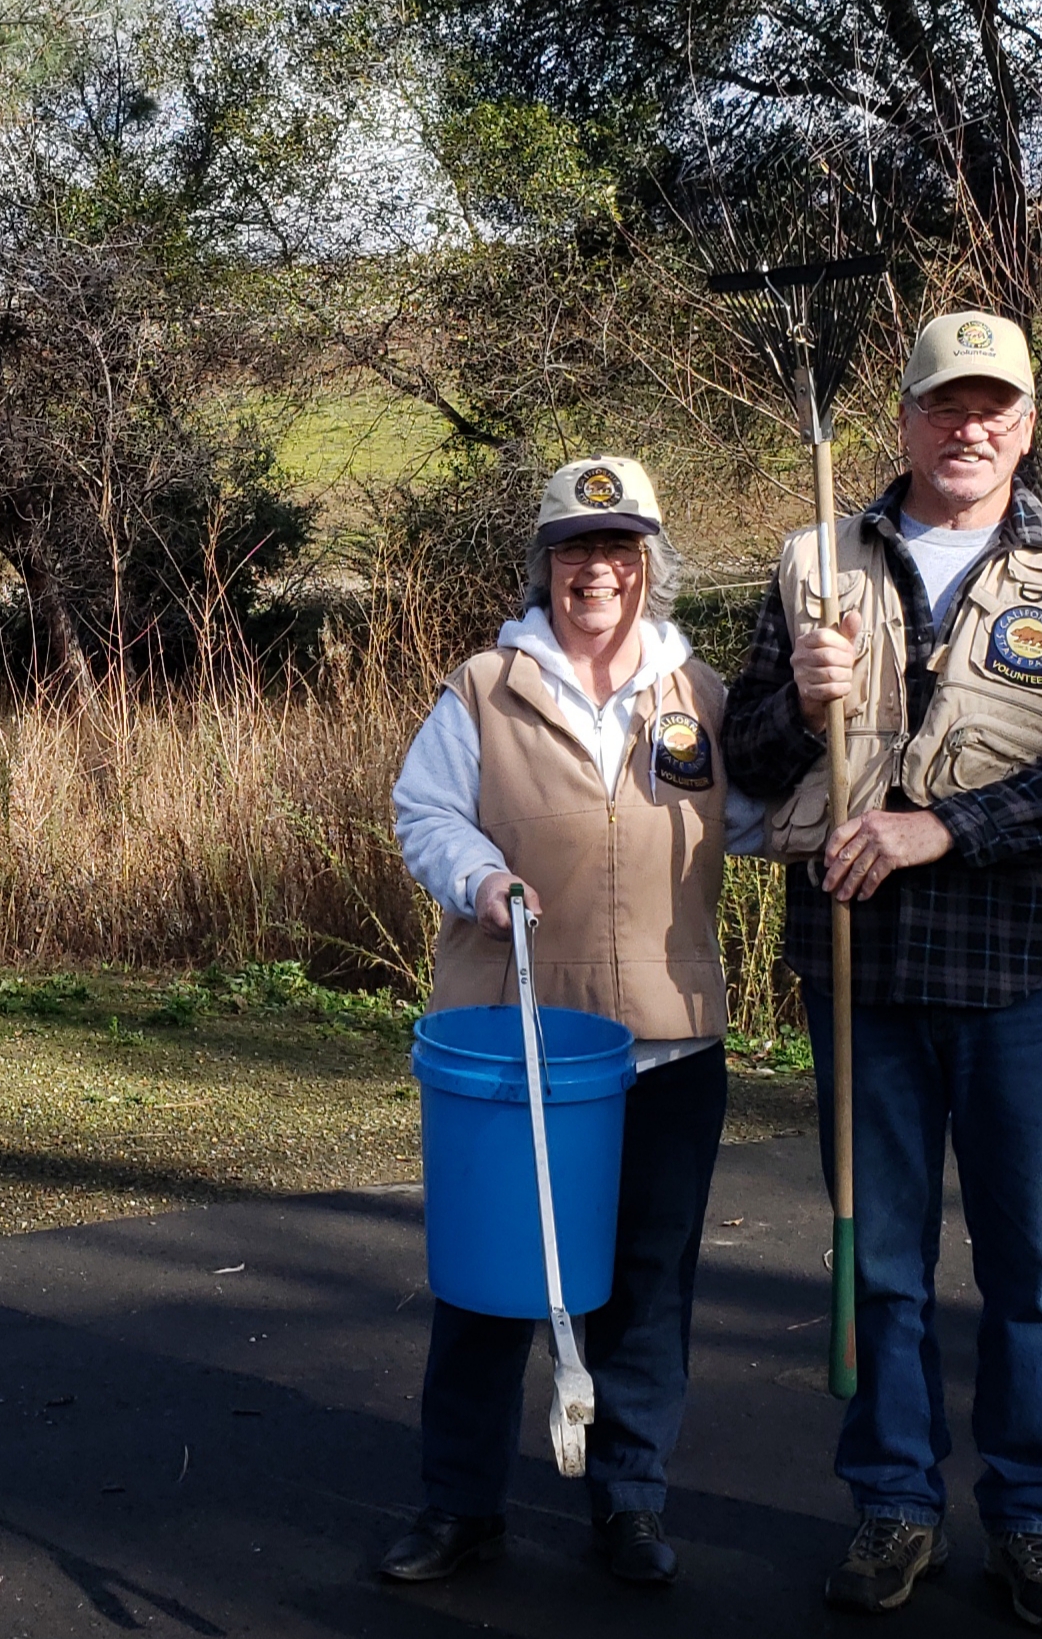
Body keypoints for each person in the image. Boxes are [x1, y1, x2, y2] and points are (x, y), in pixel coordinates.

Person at [719, 312, 1042, 1634]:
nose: (967, 430)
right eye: (943, 406)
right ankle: (892, 1509)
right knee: (882, 1262)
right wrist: (795, 702)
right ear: (902, 419)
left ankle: (1029, 1523)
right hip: (857, 976)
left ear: (1022, 426)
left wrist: (941, 825)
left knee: (1032, 1272)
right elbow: (735, 762)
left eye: (993, 410)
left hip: (1013, 971)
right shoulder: (812, 561)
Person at [380, 455, 769, 1590]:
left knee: (648, 1286)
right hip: (519, 1044)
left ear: (645, 565)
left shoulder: (700, 695)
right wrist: (478, 877)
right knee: (490, 1286)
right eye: (572, 549)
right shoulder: (483, 688)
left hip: (668, 1044)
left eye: (615, 549)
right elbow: (424, 810)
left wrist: (836, 742)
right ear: (542, 565)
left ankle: (629, 1505)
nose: (593, 569)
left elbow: (760, 817)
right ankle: (460, 1508)